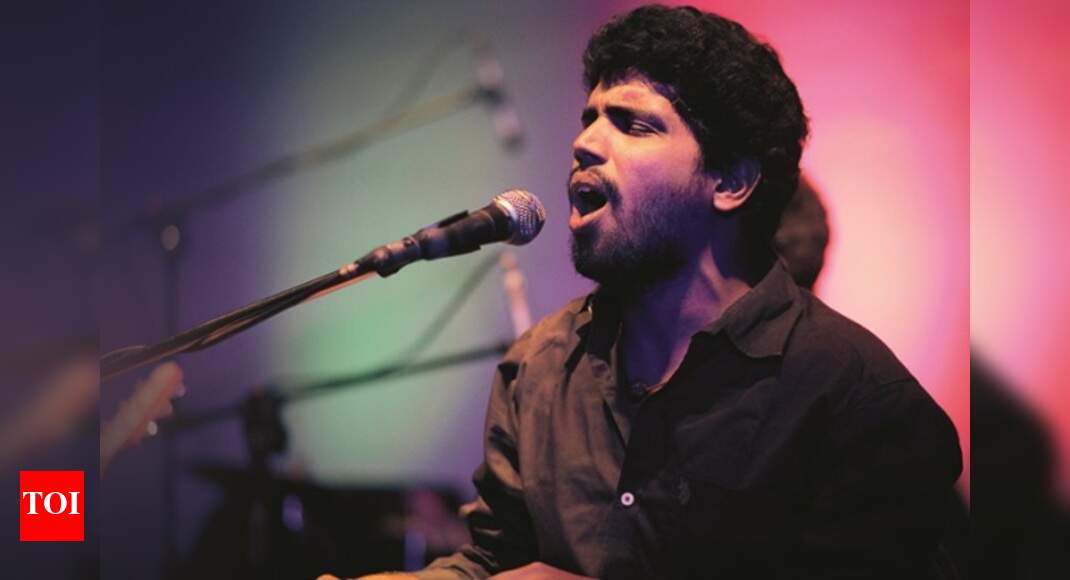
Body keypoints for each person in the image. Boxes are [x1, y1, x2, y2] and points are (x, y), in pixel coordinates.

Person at [346, 5, 962, 579]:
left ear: (731, 180)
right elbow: (494, 561)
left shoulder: (859, 402)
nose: (585, 143)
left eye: (633, 124)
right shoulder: (538, 366)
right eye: (589, 118)